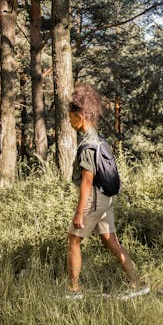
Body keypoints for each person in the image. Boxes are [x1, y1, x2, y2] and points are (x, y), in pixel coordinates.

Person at [66, 83, 149, 300]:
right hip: (106, 197)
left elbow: (87, 180)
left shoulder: (87, 145)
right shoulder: (99, 139)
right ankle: (137, 282)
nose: (69, 120)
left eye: (70, 116)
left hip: (93, 198)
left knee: (73, 240)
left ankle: (73, 291)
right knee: (110, 239)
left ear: (80, 116)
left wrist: (79, 212)